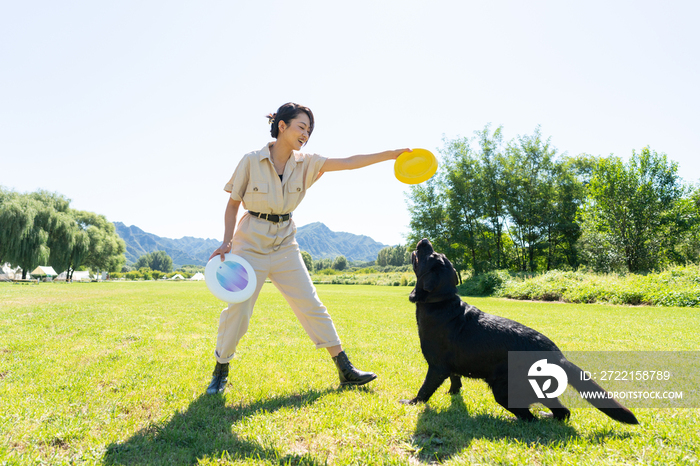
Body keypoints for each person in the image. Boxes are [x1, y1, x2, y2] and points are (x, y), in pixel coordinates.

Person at [206, 102, 410, 395]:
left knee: (311, 304)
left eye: (309, 130)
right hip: (249, 244)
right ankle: (221, 369)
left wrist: (390, 155)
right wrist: (227, 241)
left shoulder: (308, 162)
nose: (306, 134)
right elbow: (233, 204)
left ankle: (345, 369)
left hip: (285, 244)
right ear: (282, 125)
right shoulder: (251, 160)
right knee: (239, 309)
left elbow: (350, 162)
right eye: (301, 127)